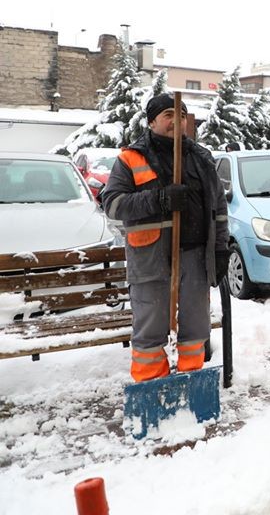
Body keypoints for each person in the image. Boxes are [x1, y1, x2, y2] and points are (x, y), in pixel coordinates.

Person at [101, 93, 229, 381]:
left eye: (181, 115)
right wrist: (159, 199)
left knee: (196, 327)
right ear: (151, 122)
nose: (176, 120)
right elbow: (113, 204)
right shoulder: (131, 158)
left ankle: (191, 380)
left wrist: (220, 249)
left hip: (195, 257)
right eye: (169, 115)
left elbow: (219, 210)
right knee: (150, 329)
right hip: (151, 258)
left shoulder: (201, 157)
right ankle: (151, 384)